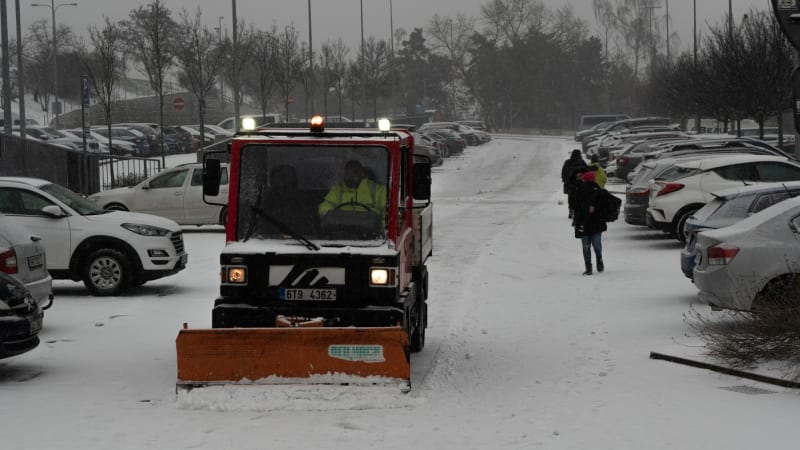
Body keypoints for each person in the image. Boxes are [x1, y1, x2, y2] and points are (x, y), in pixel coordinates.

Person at [319, 160, 387, 219]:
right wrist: (333, 218)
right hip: (341, 229)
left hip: (370, 231)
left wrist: (382, 230)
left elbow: (387, 212)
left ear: (362, 174)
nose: (350, 176)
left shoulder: (379, 190)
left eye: (354, 172)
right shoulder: (337, 190)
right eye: (347, 173)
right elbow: (325, 206)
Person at [573, 170, 607, 275]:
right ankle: (598, 261)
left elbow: (576, 207)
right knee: (596, 245)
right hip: (596, 223)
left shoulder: (580, 191)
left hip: (585, 223)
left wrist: (577, 221)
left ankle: (589, 268)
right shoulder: (598, 191)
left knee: (586, 246)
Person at [561, 149, 588, 218]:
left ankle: (571, 210)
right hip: (580, 184)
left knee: (571, 197)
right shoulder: (582, 163)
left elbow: (563, 172)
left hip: (570, 184)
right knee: (579, 197)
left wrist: (565, 180)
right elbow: (587, 172)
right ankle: (577, 210)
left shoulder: (567, 162)